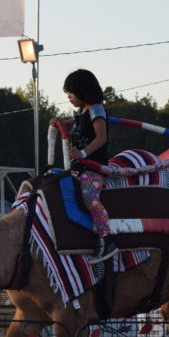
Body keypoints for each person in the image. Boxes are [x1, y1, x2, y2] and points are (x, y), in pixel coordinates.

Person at [56, 69, 116, 264]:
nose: (69, 97)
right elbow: (77, 127)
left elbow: (101, 137)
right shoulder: (81, 113)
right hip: (79, 167)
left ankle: (107, 240)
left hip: (93, 168)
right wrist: (60, 123)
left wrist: (83, 154)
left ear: (82, 91)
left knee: (90, 196)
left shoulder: (96, 109)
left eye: (71, 93)